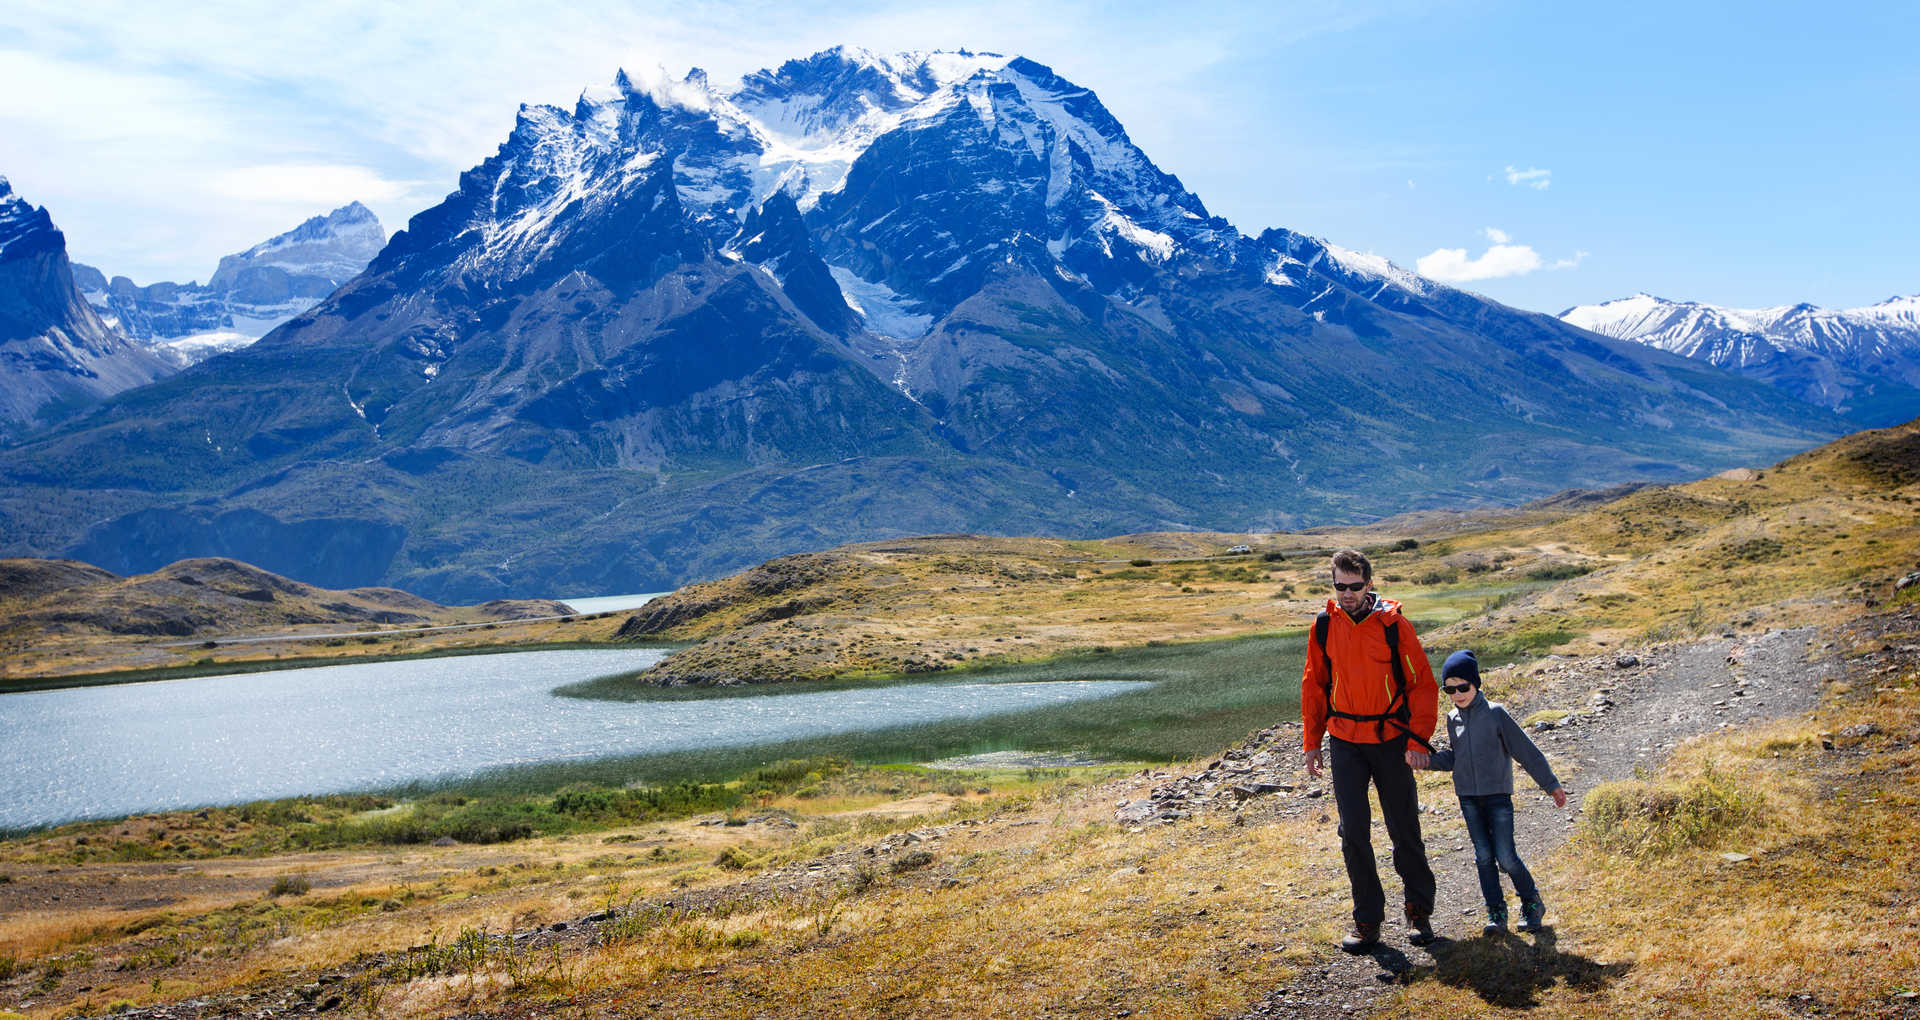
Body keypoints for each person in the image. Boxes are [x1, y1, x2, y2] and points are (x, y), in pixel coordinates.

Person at [1301, 548, 1439, 952]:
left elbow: (1422, 686)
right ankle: (1367, 922)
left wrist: (1417, 742)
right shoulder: (1324, 626)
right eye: (1339, 586)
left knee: (1404, 829)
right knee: (1353, 834)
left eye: (1354, 586)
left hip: (1391, 741)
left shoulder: (1395, 626)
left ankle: (1419, 912)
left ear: (1370, 584)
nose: (1346, 594)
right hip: (1345, 742)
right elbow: (1314, 686)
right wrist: (1312, 742)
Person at [1422, 649, 1570, 935]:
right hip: (1468, 799)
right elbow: (1456, 758)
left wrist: (1550, 784)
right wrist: (1426, 761)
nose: (1457, 694)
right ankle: (1496, 913)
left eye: (1462, 687)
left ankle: (1531, 902)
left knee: (1505, 856)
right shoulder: (1453, 719)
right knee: (1482, 857)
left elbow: (1526, 752)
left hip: (1497, 797)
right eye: (1449, 689)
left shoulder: (1496, 713)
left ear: (1476, 683)